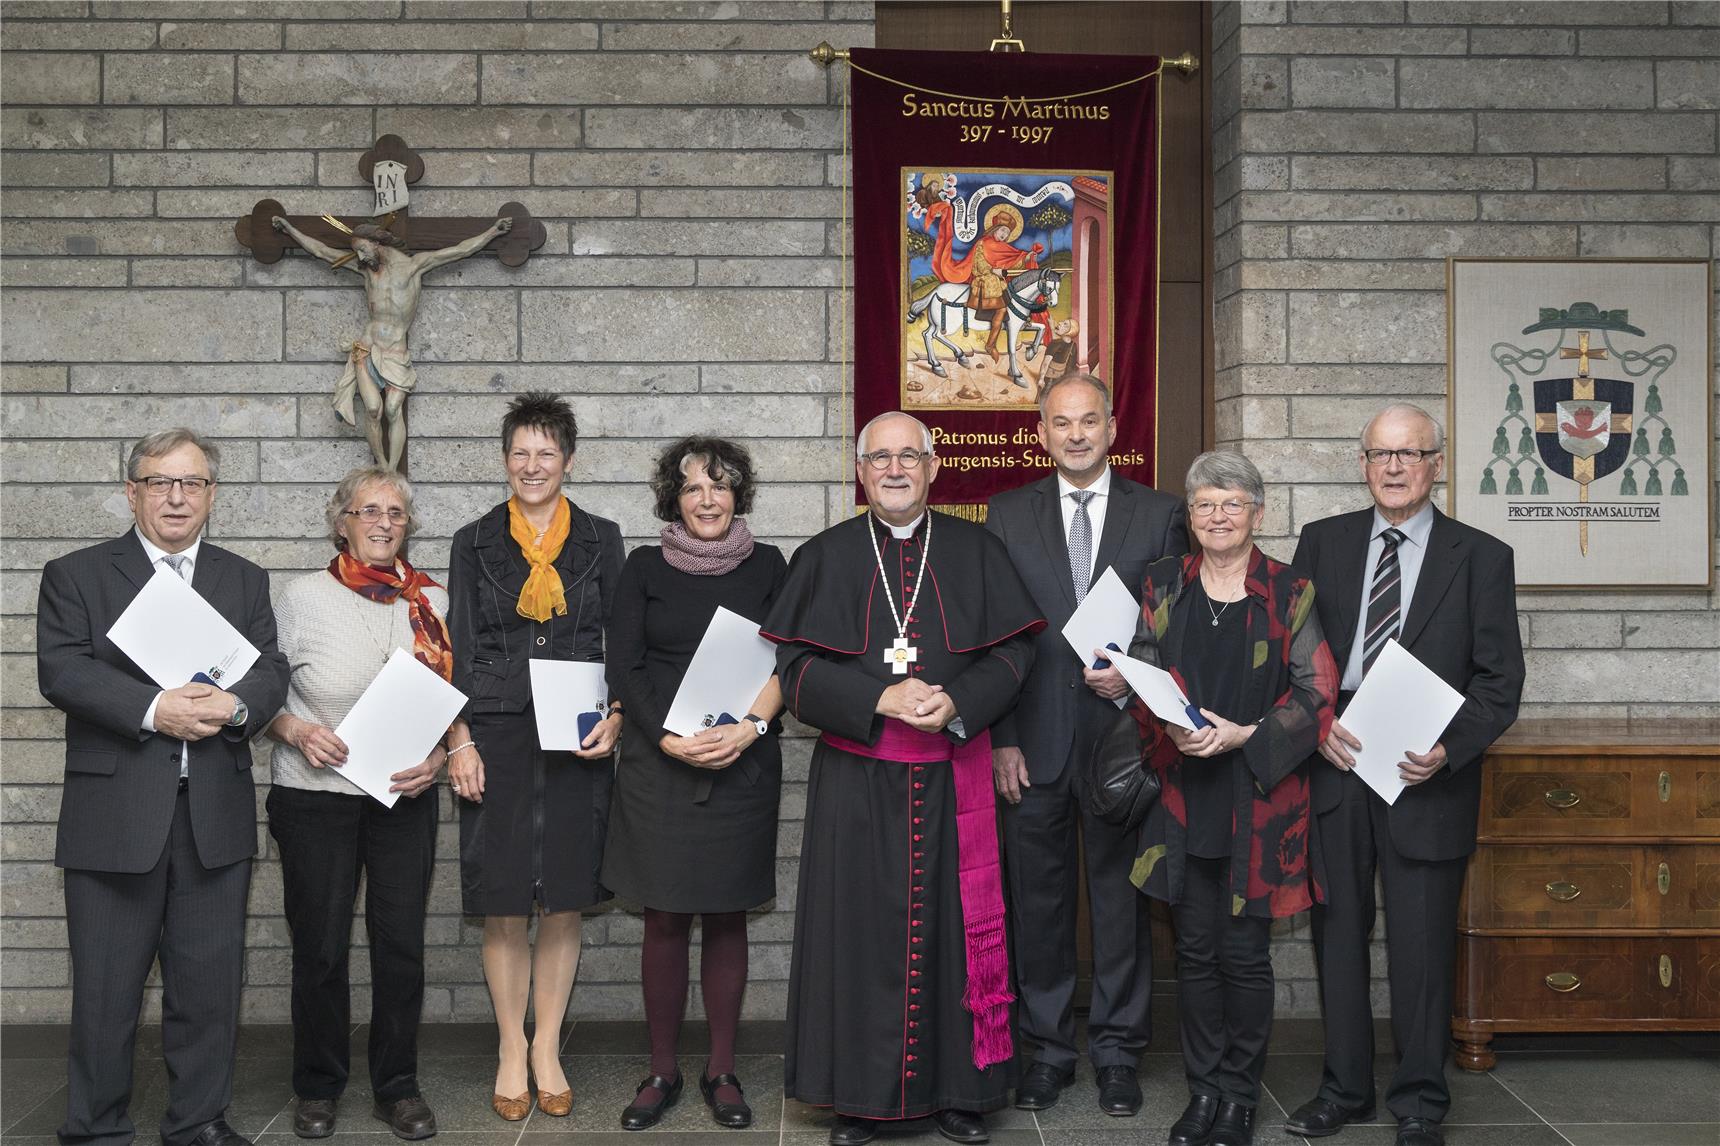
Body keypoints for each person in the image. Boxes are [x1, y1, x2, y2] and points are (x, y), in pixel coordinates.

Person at [762, 412, 1044, 1146]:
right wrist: (878, 699)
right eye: (880, 458)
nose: (894, 469)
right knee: (857, 937)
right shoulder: (824, 555)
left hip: (954, 775)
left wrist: (960, 702)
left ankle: (960, 1094)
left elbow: (1015, 654)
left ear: (933, 467)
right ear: (860, 471)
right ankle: (859, 1099)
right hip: (857, 784)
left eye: (908, 457)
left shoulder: (977, 550)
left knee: (956, 934)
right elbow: (794, 670)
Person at [38, 429, 290, 1146]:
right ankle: (95, 1129)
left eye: (193, 483)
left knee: (208, 987)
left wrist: (236, 708)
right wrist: (156, 709)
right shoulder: (77, 574)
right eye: (160, 482)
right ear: (132, 491)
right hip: (114, 815)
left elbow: (270, 670)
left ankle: (199, 1121)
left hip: (213, 814)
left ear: (212, 494)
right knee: (105, 990)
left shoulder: (243, 579)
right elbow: (63, 670)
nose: (177, 497)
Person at [1285, 404, 1524, 1146]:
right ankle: (1344, 1090)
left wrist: (1448, 749)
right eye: (1381, 454)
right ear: (1362, 464)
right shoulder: (1321, 542)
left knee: (1422, 944)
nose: (1394, 467)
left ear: (1436, 464)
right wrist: (1315, 725)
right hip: (1340, 759)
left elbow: (1500, 681)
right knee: (1338, 934)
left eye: (1410, 453)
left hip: (1428, 771)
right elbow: (1292, 651)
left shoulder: (1481, 556)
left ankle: (1420, 1099)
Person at [983, 374, 1188, 1117]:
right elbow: (993, 634)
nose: (1076, 434)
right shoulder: (1006, 513)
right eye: (1062, 422)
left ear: (1112, 428)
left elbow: (1173, 623)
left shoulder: (1160, 513)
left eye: (1089, 421)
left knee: (1120, 902)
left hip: (1123, 742)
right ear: (1042, 432)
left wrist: (1135, 677)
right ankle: (1046, 1051)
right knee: (1036, 906)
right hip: (1030, 743)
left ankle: (1118, 1053)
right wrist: (1001, 738)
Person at [1126, 450, 1338, 1146]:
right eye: (1204, 505)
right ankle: (1204, 1092)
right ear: (1189, 516)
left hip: (1258, 798)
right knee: (1194, 952)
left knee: (1244, 955)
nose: (1218, 516)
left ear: (1258, 513)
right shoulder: (1161, 583)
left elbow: (1318, 692)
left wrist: (1246, 735)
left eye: (1232, 504)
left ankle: (1240, 1097)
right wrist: (1168, 724)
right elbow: (1142, 666)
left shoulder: (1290, 591)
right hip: (1182, 793)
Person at [443, 392, 626, 1122]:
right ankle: (509, 1049)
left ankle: (547, 1046)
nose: (532, 465)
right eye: (520, 452)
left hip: (580, 735)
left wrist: (619, 714)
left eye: (546, 453)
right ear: (504, 460)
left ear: (568, 461)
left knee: (566, 898)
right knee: (503, 899)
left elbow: (623, 640)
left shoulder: (603, 538)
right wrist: (459, 739)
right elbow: (456, 645)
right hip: (498, 735)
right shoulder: (473, 541)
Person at [601, 437, 788, 1132]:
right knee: (664, 916)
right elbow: (625, 664)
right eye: (692, 488)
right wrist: (667, 738)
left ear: (739, 495)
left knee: (729, 913)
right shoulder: (644, 567)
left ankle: (722, 1070)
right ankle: (661, 1071)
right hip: (659, 765)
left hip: (743, 761)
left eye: (720, 485)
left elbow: (792, 662)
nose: (707, 499)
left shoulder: (770, 566)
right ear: (672, 499)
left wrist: (749, 730)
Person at [262, 466, 453, 1141]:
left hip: (403, 796)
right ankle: (318, 1086)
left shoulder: (432, 598)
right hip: (314, 798)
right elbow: (257, 693)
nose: (383, 522)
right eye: (369, 510)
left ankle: (397, 1088)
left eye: (395, 513)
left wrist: (440, 757)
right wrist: (294, 729)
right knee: (320, 949)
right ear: (341, 522)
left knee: (400, 947)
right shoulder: (299, 597)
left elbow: (449, 699)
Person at [270, 213, 512, 470]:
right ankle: (382, 466)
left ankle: (392, 471)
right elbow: (321, 251)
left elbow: (460, 250)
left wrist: (493, 231)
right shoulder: (366, 272)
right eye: (357, 252)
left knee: (393, 409)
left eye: (363, 249)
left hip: (396, 351)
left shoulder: (414, 266)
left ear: (378, 244)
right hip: (368, 347)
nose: (360, 257)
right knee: (373, 409)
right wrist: (289, 229)